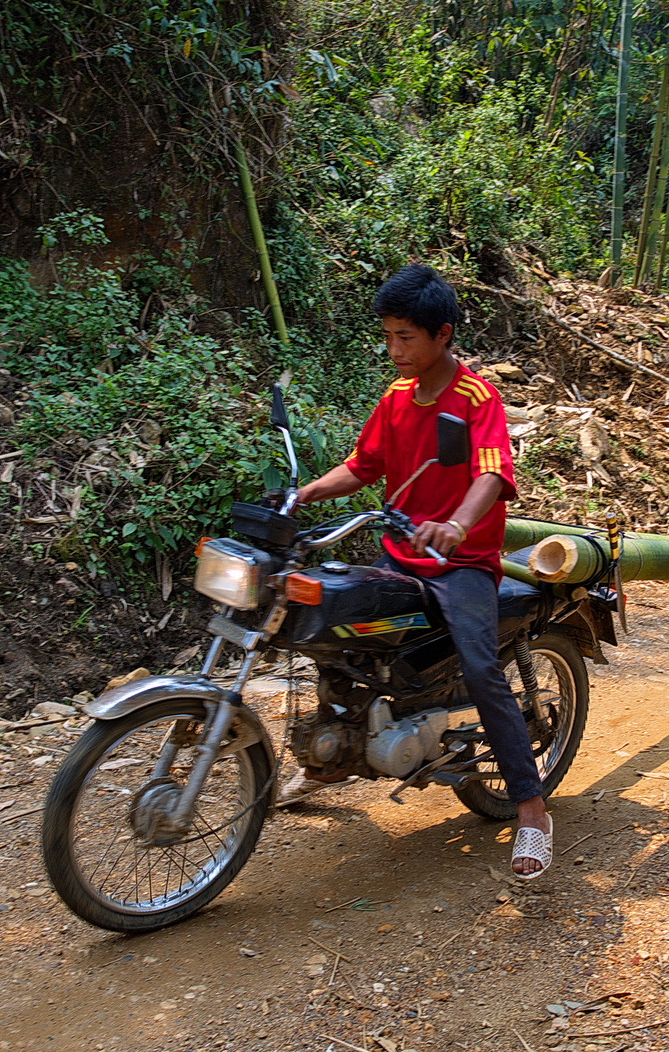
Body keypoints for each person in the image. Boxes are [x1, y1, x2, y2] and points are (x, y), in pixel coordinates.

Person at [279, 263, 553, 880]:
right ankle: (330, 758)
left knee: (482, 666)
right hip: (402, 555)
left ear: (442, 334)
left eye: (406, 337)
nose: (394, 349)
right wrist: (305, 496)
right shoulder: (396, 398)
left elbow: (492, 473)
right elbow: (363, 465)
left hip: (461, 562)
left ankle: (531, 810)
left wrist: (456, 524)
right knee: (332, 624)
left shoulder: (476, 398)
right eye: (389, 336)